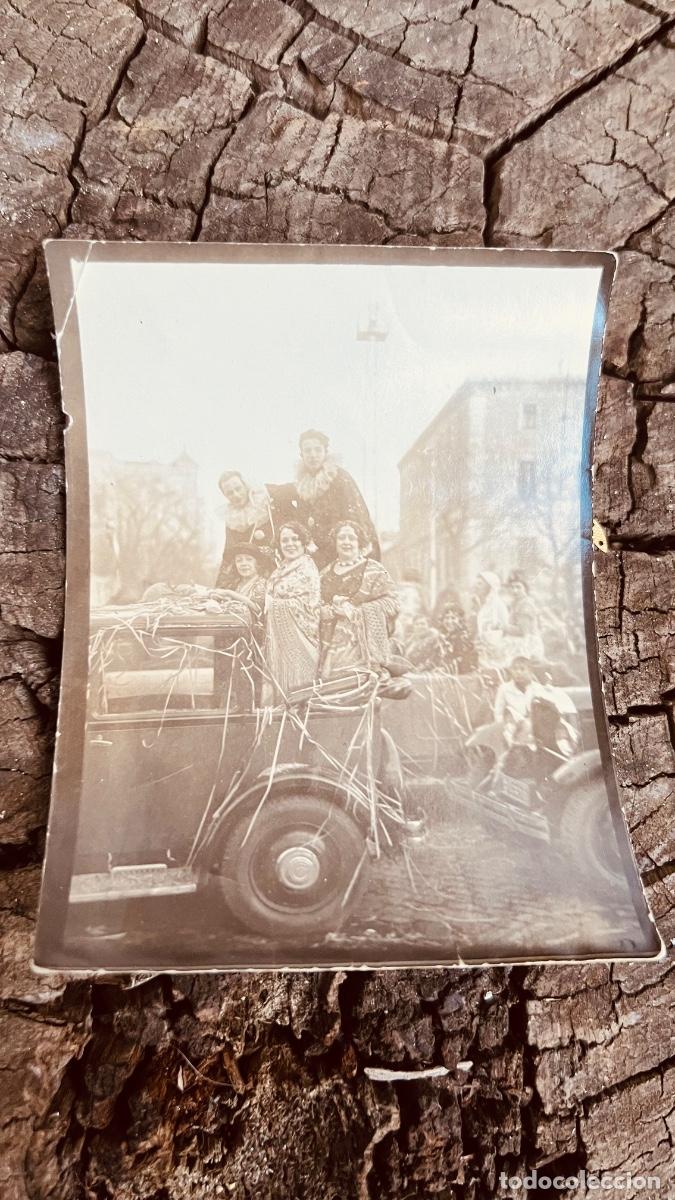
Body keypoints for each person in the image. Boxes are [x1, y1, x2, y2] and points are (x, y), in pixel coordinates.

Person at [274, 431, 380, 569]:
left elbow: (356, 515)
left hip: (340, 550)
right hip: (315, 554)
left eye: (318, 450)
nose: (313, 455)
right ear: (302, 455)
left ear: (325, 452)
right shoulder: (302, 483)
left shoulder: (339, 477)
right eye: (308, 450)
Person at [319, 520, 399, 677]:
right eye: (342, 538)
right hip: (326, 645)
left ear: (359, 542)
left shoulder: (375, 570)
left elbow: (393, 603)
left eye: (351, 538)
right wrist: (321, 611)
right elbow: (313, 603)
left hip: (360, 650)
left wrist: (354, 612)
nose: (346, 542)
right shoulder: (325, 573)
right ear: (335, 542)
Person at [263, 523, 320, 703]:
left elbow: (306, 604)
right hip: (278, 637)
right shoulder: (280, 569)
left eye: (295, 539)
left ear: (303, 542)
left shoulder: (307, 568)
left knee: (297, 689)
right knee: (279, 686)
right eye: (285, 540)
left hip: (301, 636)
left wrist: (272, 605)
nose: (290, 544)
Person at [212, 543, 270, 709]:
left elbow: (257, 607)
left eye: (248, 560)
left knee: (248, 679)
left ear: (257, 563)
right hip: (233, 641)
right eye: (239, 560)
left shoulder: (262, 584)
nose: (243, 564)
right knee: (231, 680)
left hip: (252, 642)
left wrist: (230, 595)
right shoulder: (237, 584)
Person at [215, 471, 277, 586]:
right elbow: (229, 555)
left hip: (277, 570)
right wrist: (219, 589)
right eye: (230, 493)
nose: (236, 495)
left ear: (245, 486)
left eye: (238, 489)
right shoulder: (232, 518)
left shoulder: (266, 499)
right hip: (251, 576)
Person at [503, 571, 545, 662]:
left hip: (527, 645)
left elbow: (522, 632)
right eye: (512, 587)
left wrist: (503, 626)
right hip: (519, 642)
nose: (515, 591)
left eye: (518, 587)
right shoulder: (516, 603)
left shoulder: (526, 604)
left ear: (525, 588)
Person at [472, 570, 509, 669]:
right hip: (483, 650)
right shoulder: (482, 604)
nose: (476, 586)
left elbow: (505, 628)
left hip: (496, 652)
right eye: (476, 583)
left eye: (480, 584)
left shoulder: (498, 605)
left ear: (489, 586)